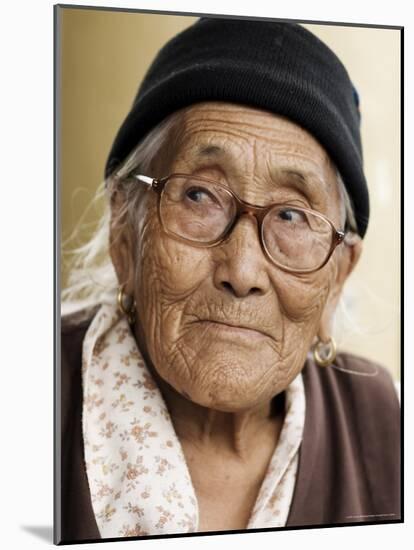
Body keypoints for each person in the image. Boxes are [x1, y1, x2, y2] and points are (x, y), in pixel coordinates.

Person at [59, 17, 400, 543]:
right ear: (125, 233)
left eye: (291, 216)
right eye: (199, 195)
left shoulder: (386, 425)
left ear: (337, 278)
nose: (241, 272)